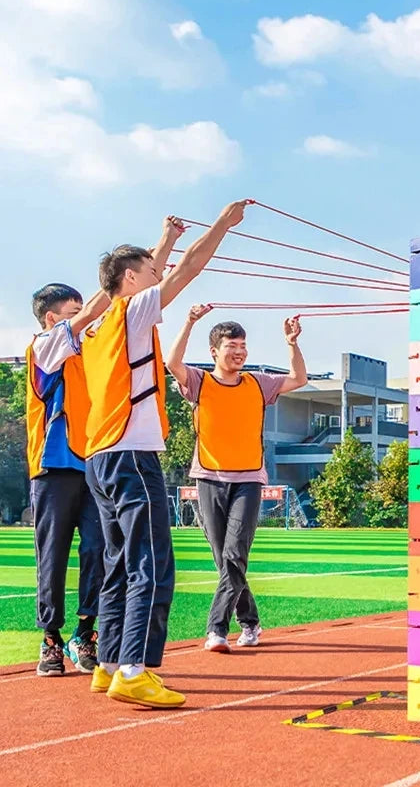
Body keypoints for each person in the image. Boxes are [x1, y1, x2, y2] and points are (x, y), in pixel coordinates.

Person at [82, 202, 251, 708]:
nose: (159, 279)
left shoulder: (97, 327)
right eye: (149, 273)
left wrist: (166, 237)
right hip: (131, 455)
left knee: (118, 565)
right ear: (132, 280)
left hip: (99, 456)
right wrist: (223, 225)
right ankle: (134, 668)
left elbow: (149, 268)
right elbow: (186, 272)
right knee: (151, 563)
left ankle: (109, 663)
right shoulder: (132, 312)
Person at [165, 306, 308, 652]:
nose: (240, 352)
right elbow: (173, 364)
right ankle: (251, 622)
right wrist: (189, 321)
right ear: (215, 351)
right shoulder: (200, 381)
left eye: (243, 345)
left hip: (249, 480)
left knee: (233, 554)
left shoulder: (258, 383)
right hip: (209, 478)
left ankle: (216, 629)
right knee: (224, 558)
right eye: (232, 346)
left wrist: (291, 343)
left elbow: (299, 379)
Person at [26, 284, 109, 676]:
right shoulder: (44, 347)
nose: (85, 318)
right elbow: (97, 307)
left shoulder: (87, 354)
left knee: (99, 548)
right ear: (52, 319)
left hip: (91, 464)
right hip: (52, 467)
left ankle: (85, 632)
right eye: (74, 312)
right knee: (52, 556)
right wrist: (122, 277)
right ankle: (51, 639)